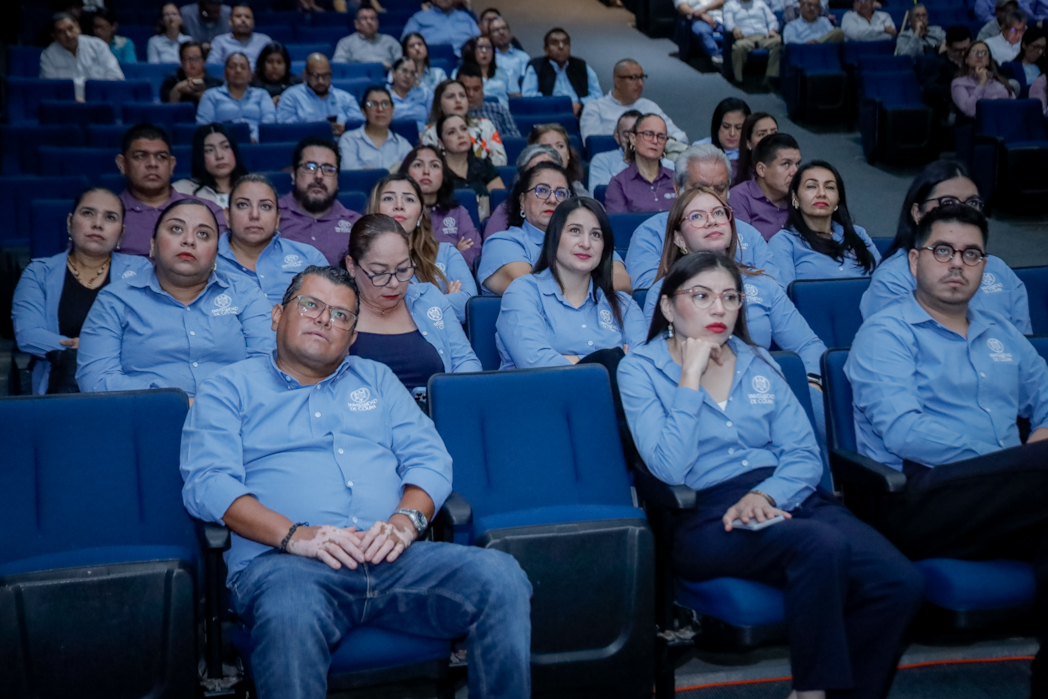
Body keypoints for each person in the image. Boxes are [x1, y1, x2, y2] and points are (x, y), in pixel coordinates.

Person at [180, 263, 531, 699]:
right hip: (287, 568)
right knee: (290, 612)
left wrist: (405, 523)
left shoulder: (377, 379)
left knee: (502, 577)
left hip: (392, 559)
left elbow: (430, 459)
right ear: (277, 315)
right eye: (310, 305)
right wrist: (295, 536)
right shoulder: (227, 388)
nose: (324, 319)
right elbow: (209, 483)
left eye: (341, 315)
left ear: (352, 337)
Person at [618, 251, 924, 699]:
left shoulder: (758, 360)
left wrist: (767, 495)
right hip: (706, 515)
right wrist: (690, 377)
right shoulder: (640, 369)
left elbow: (803, 453)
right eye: (701, 296)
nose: (719, 308)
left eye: (730, 297)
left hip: (789, 495)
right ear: (667, 305)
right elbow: (669, 468)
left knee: (900, 582)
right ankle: (811, 692)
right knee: (820, 545)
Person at [844, 204, 1048, 699]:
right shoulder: (886, 333)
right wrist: (1010, 461)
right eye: (943, 250)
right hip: (918, 499)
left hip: (1008, 498)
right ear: (915, 261)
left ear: (984, 265)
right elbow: (905, 431)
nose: (957, 263)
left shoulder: (1001, 333)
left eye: (971, 254)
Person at [76, 199, 274, 397]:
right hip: (145, 414)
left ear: (216, 253)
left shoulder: (244, 293)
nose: (189, 240)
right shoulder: (115, 300)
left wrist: (220, 404)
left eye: (203, 234)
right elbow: (96, 379)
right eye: (176, 229)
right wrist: (175, 403)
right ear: (152, 244)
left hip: (235, 412)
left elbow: (267, 365)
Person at [640, 187, 825, 396]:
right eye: (697, 216)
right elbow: (653, 360)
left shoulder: (763, 284)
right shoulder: (663, 291)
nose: (712, 221)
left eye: (719, 213)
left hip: (760, 392)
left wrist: (811, 382)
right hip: (693, 392)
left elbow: (808, 345)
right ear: (679, 238)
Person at [860, 160, 1030, 332]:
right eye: (948, 203)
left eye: (972, 204)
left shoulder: (999, 269)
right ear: (918, 213)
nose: (962, 212)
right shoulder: (892, 280)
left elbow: (1023, 342)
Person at [12, 188, 152, 395]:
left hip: (123, 386)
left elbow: (148, 333)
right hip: (57, 386)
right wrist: (95, 347)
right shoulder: (39, 272)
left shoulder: (140, 270)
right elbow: (28, 335)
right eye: (88, 213)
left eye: (110, 217)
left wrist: (85, 346)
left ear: (121, 233)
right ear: (70, 222)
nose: (97, 223)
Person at [497, 198, 647, 370]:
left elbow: (643, 367)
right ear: (554, 237)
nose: (586, 244)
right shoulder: (523, 293)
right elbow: (536, 364)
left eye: (596, 235)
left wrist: (572, 360)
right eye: (575, 231)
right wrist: (612, 362)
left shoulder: (623, 304)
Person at [345, 214, 481, 391]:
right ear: (351, 266)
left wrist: (449, 398)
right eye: (379, 272)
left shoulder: (429, 298)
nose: (394, 283)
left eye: (403, 269)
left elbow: (465, 361)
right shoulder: (334, 312)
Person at [625, 144, 782, 289]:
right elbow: (646, 291)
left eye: (719, 189)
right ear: (677, 189)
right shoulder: (650, 233)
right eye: (700, 188)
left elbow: (777, 290)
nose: (710, 196)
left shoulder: (750, 234)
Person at [479, 162, 632, 295]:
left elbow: (622, 283)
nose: (552, 200)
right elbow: (531, 289)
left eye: (561, 193)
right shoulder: (502, 243)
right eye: (542, 190)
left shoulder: (588, 240)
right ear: (522, 201)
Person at [368, 174, 477, 323]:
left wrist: (409, 308)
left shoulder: (446, 252)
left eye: (409, 199)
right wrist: (441, 299)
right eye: (388, 198)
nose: (399, 205)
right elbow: (376, 311)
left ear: (420, 215)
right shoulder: (363, 258)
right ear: (374, 209)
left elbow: (470, 306)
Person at [116, 123, 225, 257]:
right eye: (140, 156)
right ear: (122, 164)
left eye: (161, 157)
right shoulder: (108, 215)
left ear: (172, 165)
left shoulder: (207, 211)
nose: (152, 164)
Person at [217, 174, 327, 305]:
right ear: (227, 216)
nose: (254, 215)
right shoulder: (207, 262)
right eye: (243, 205)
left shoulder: (309, 257)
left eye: (265, 206)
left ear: (277, 218)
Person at [768, 160, 880, 287]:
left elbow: (884, 283)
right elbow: (783, 295)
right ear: (795, 197)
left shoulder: (858, 234)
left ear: (838, 198)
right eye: (811, 186)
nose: (821, 193)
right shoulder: (784, 242)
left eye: (829, 187)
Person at [279, 136, 364, 264]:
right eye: (309, 167)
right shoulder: (272, 215)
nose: (318, 176)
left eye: (328, 169)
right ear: (294, 175)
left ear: (337, 180)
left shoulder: (356, 225)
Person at [401, 144, 483, 269]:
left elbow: (473, 252)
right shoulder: (398, 211)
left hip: (455, 279)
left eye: (434, 166)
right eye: (418, 165)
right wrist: (453, 253)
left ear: (444, 174)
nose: (426, 171)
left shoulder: (459, 213)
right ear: (406, 172)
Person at [580, 59, 687, 143]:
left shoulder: (649, 106)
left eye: (642, 77)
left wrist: (665, 141)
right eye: (634, 78)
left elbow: (681, 136)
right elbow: (593, 144)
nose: (640, 83)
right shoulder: (595, 108)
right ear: (617, 82)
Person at [728, 132, 802, 241]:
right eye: (786, 164)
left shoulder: (799, 195)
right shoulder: (739, 197)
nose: (795, 172)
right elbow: (745, 245)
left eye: (797, 164)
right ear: (761, 170)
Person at [422, 78, 508, 166]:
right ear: (439, 104)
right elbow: (430, 165)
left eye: (462, 96)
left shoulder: (485, 125)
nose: (458, 100)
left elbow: (501, 161)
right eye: (451, 97)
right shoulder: (430, 132)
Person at [276, 54, 365, 138]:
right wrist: (321, 130)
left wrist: (346, 130)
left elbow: (360, 126)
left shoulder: (346, 98)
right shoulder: (290, 97)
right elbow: (286, 130)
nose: (321, 81)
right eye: (315, 76)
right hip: (306, 144)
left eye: (325, 76)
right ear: (305, 75)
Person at [40, 12, 124, 101]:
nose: (68, 35)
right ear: (54, 36)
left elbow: (116, 77)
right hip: (67, 104)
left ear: (78, 27)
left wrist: (96, 97)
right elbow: (51, 87)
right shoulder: (48, 55)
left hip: (100, 100)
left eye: (71, 28)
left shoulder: (98, 46)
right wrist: (73, 100)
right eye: (61, 32)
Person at [521, 28, 603, 117]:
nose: (561, 46)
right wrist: (558, 104)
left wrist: (580, 104)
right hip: (549, 114)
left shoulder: (581, 66)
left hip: (580, 114)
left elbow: (597, 95)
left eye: (565, 43)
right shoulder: (536, 67)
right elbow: (528, 96)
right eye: (555, 43)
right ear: (546, 49)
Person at [605, 114, 677, 214]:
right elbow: (619, 222)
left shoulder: (677, 179)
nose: (655, 141)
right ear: (633, 139)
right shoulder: (619, 184)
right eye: (648, 134)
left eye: (661, 137)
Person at [197, 53, 277, 142]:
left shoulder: (262, 94)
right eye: (232, 67)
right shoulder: (211, 95)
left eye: (243, 67)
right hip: (222, 144)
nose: (238, 70)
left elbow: (269, 123)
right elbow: (204, 126)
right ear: (225, 73)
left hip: (257, 144)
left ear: (250, 74)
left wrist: (255, 138)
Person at [436, 113, 505, 213]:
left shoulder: (484, 165)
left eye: (464, 129)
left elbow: (501, 202)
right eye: (451, 132)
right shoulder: (437, 172)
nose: (460, 135)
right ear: (441, 143)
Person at [338, 85, 413, 171]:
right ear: (363, 111)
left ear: (392, 110)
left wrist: (368, 172)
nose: (380, 109)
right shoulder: (349, 140)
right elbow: (352, 175)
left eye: (385, 103)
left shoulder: (403, 144)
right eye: (372, 104)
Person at [173, 124, 248, 208]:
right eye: (209, 150)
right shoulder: (181, 191)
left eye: (225, 147)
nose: (219, 156)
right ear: (200, 156)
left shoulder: (254, 187)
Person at [918, 25, 973, 121]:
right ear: (947, 47)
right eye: (957, 50)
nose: (963, 54)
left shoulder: (980, 60)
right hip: (952, 110)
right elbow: (930, 90)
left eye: (966, 49)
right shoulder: (937, 64)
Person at [723, 0, 782, 85]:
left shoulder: (760, 3)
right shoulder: (730, 5)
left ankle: (770, 78)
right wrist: (734, 28)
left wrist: (772, 29)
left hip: (763, 36)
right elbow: (728, 22)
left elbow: (772, 20)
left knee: (779, 41)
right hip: (744, 37)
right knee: (737, 47)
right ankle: (738, 79)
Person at [951, 41, 1015, 118]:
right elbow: (970, 111)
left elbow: (1013, 106)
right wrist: (981, 83)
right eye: (974, 52)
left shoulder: (998, 81)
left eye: (984, 53)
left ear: (988, 61)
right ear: (966, 59)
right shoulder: (959, 83)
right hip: (977, 123)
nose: (979, 56)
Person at [458, 63, 522, 140]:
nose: (471, 94)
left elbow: (515, 140)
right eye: (466, 89)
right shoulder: (453, 114)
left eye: (476, 89)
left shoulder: (499, 110)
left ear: (482, 88)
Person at [401, 0, 480, 58]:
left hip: (468, 60)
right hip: (434, 60)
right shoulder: (418, 18)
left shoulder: (466, 18)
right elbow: (407, 42)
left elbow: (479, 39)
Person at [695, 98, 750, 179]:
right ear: (716, 126)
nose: (732, 133)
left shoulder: (755, 153)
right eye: (726, 127)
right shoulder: (699, 150)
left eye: (739, 128)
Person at [332, 6, 402, 69]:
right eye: (364, 19)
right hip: (358, 77)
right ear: (357, 24)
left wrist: (391, 68)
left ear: (377, 23)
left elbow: (401, 65)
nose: (369, 22)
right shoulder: (345, 43)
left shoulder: (390, 41)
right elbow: (339, 66)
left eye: (373, 18)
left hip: (386, 76)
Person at [206, 4, 271, 71]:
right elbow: (212, 66)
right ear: (230, 21)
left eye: (247, 17)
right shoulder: (219, 41)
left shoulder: (264, 41)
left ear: (253, 22)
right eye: (238, 16)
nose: (243, 20)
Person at [529, 123, 587, 196]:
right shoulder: (523, 186)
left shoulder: (578, 191)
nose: (555, 152)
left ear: (568, 154)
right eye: (547, 147)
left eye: (560, 146)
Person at [458, 36, 515, 107]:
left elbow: (516, 99)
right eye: (480, 47)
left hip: (501, 111)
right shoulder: (461, 73)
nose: (484, 51)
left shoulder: (506, 73)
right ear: (472, 50)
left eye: (488, 47)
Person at [161, 40, 222, 105]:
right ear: (181, 61)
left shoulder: (216, 84)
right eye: (187, 59)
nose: (192, 63)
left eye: (196, 58)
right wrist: (178, 90)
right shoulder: (170, 82)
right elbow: (167, 106)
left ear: (204, 60)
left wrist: (203, 95)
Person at [733, 111, 777, 186]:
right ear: (748, 143)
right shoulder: (732, 171)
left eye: (774, 133)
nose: (770, 138)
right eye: (761, 134)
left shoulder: (789, 169)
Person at [389, 57, 432, 133]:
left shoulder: (425, 94)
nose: (408, 76)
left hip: (422, 136)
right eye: (404, 71)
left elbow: (433, 119)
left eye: (412, 73)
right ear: (394, 73)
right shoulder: (384, 95)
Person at [678, 0, 727, 66]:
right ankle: (716, 55)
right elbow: (682, 7)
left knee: (730, 30)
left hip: (720, 18)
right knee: (703, 31)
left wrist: (704, 9)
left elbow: (721, 1)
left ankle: (726, 55)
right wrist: (701, 15)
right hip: (698, 19)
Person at [486, 16, 529, 90]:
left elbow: (526, 81)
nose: (501, 32)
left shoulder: (523, 57)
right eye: (496, 30)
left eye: (504, 28)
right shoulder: (487, 56)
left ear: (510, 32)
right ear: (490, 36)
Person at [1002, 26, 1047, 95]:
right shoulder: (1009, 67)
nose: (1040, 52)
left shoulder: (1044, 67)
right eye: (1036, 47)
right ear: (1024, 45)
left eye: (1043, 48)